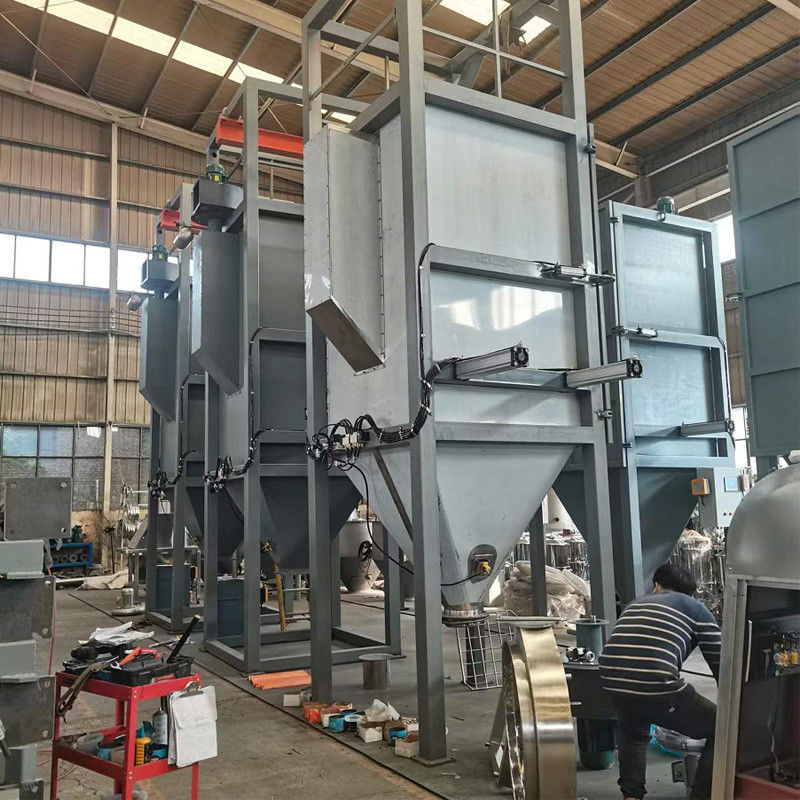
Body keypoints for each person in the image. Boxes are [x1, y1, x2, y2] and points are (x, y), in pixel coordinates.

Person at [599, 563, 721, 800]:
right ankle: (703, 795)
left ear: (657, 586)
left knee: (633, 731)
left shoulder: (635, 604)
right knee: (721, 727)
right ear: (690, 592)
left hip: (611, 680)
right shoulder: (695, 608)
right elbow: (722, 662)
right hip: (656, 683)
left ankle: (631, 796)